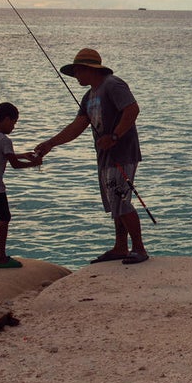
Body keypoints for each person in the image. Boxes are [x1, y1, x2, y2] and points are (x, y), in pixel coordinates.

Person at [35, 48, 148, 265]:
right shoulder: (89, 95)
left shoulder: (113, 85)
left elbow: (132, 110)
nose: (75, 76)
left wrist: (114, 136)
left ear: (88, 69)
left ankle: (139, 248)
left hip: (122, 153)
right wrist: (51, 143)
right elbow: (77, 126)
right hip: (105, 156)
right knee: (115, 203)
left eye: (77, 71)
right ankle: (120, 247)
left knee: (122, 201)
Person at [0, 102, 42, 268]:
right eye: (13, 122)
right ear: (6, 119)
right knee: (4, 218)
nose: (14, 126)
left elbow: (3, 155)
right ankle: (1, 257)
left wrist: (24, 155)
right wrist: (34, 163)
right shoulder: (5, 139)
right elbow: (15, 164)